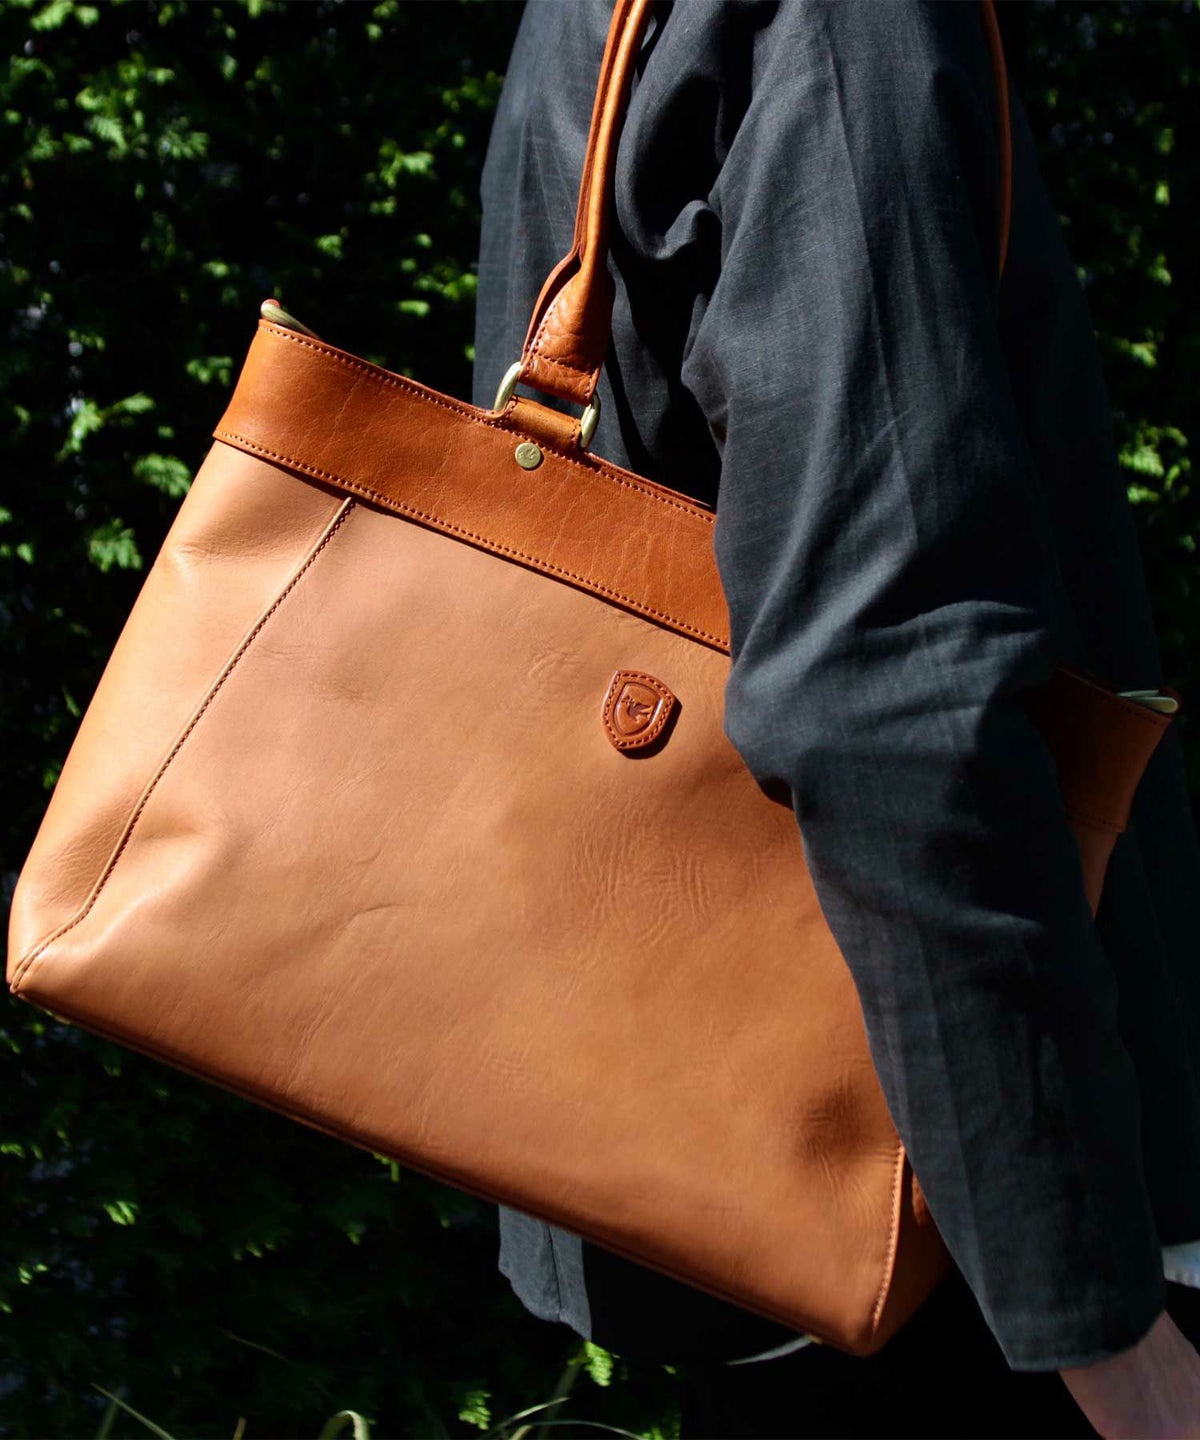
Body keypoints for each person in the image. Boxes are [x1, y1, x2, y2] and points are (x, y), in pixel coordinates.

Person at [470, 2, 1200, 1434]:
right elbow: (889, 692)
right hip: (932, 1240)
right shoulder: (840, 26)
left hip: (777, 1181)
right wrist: (1112, 1342)